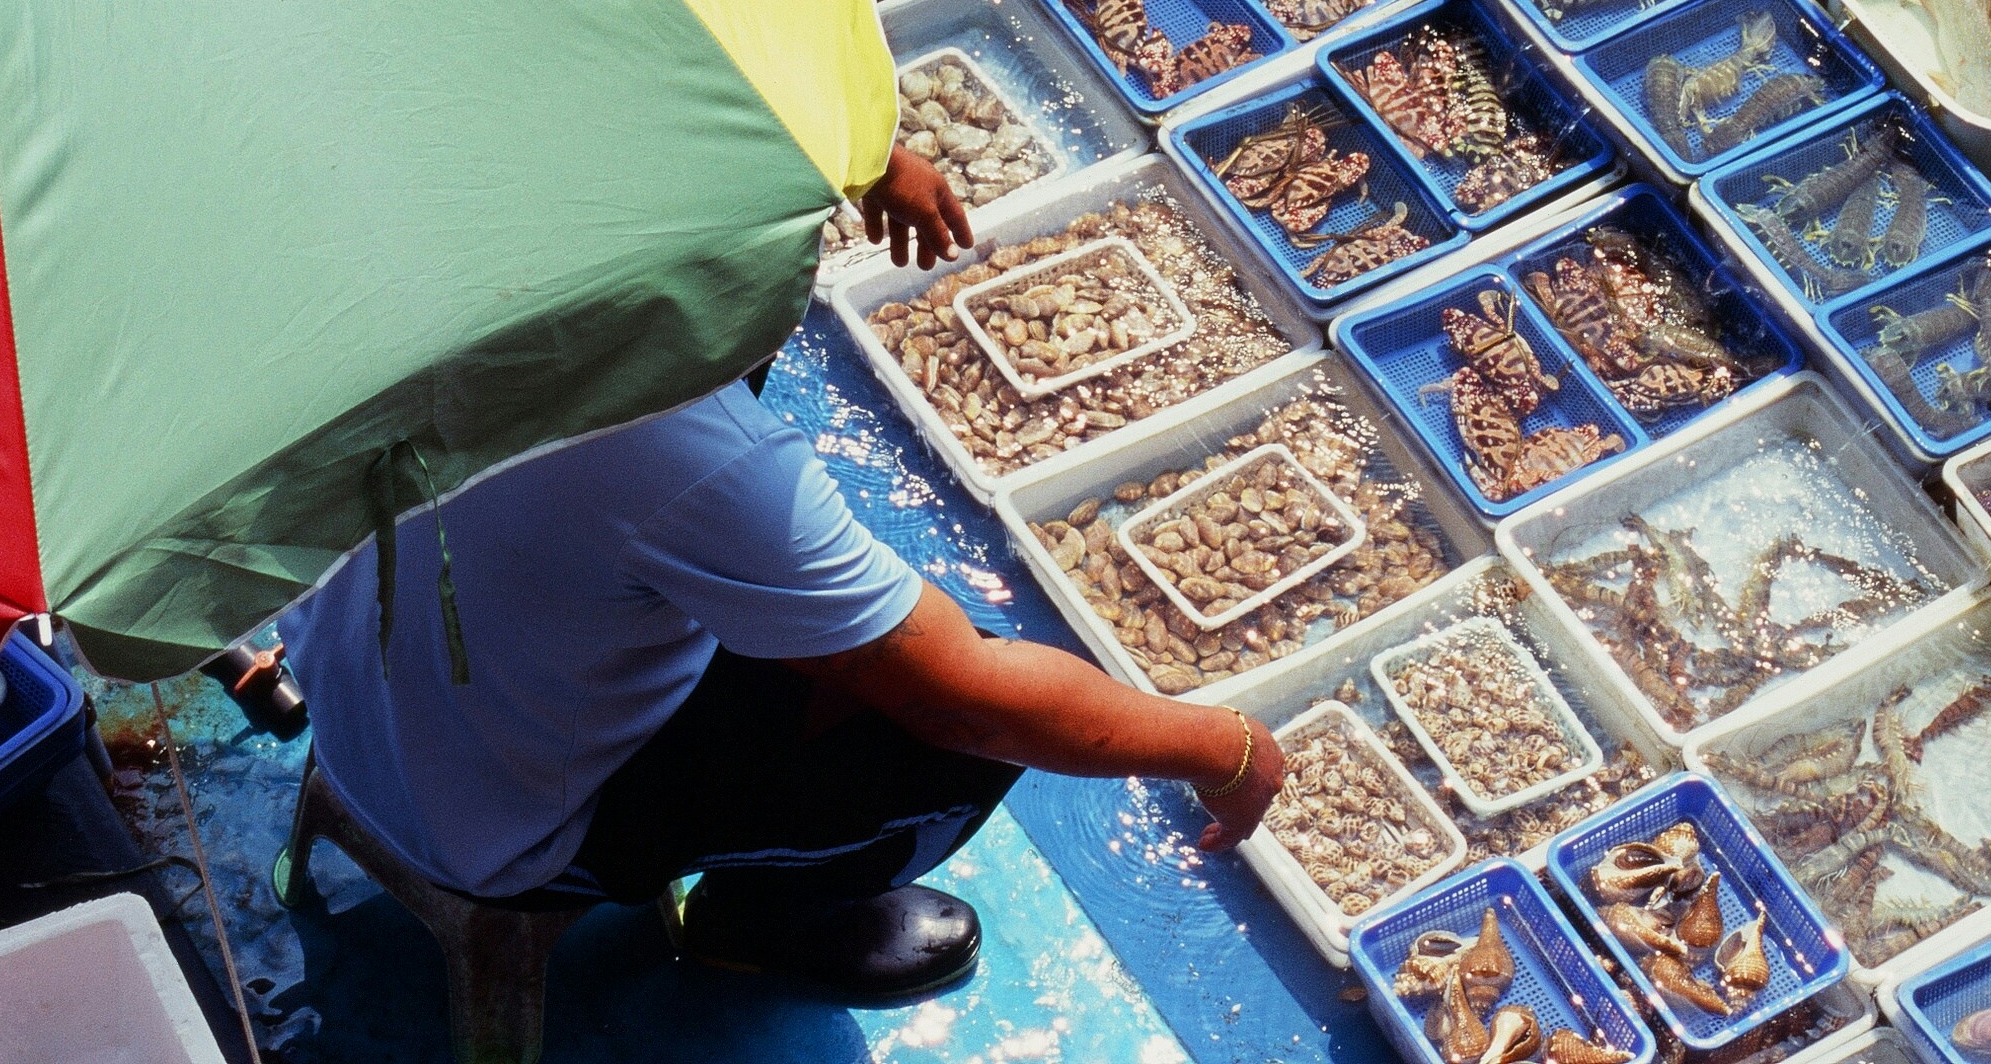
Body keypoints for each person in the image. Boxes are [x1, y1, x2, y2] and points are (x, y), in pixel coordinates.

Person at [280, 145, 1283, 999]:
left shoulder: (433, 238)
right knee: (970, 725)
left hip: (357, 703)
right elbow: (972, 706)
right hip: (500, 828)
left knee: (860, 629)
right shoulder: (689, 453)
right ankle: (755, 924)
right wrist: (1227, 749)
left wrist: (866, 154)